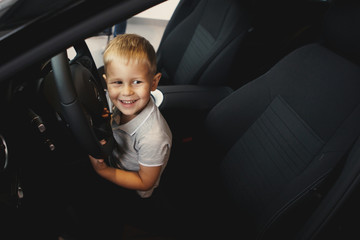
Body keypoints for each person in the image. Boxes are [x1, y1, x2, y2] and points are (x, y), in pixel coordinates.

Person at [89, 33, 172, 199]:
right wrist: (111, 117)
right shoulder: (125, 105)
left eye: (137, 82)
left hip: (133, 190)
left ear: (154, 82)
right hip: (116, 162)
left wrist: (104, 171)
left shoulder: (153, 137)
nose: (126, 92)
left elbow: (145, 182)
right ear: (106, 82)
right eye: (118, 82)